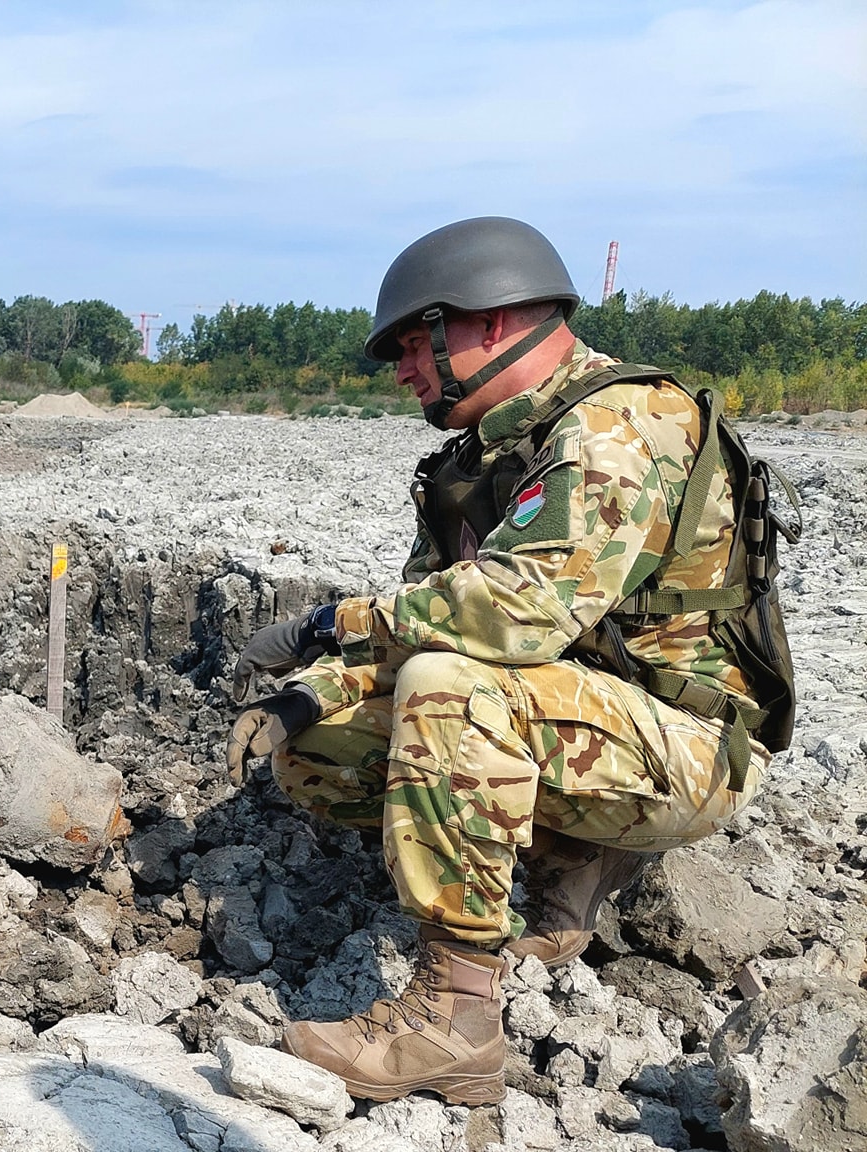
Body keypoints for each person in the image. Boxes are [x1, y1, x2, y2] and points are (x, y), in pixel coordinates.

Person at [225, 216, 789, 1105]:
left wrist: (331, 624)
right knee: (322, 750)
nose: (404, 371)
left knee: (451, 692)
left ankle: (455, 1021)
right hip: (578, 719)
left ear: (490, 320)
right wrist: (313, 692)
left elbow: (519, 613)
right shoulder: (482, 455)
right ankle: (563, 860)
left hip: (688, 747)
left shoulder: (623, 421)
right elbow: (433, 623)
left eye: (416, 343)